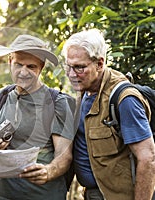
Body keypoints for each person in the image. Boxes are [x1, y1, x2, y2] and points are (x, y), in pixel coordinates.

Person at [62, 29, 155, 200]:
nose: (71, 74)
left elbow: (148, 158)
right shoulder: (84, 90)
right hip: (92, 193)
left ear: (99, 64)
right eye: (69, 66)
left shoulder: (124, 99)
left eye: (79, 67)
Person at [0, 34, 76, 200]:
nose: (23, 72)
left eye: (31, 66)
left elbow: (64, 156)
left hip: (45, 195)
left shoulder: (57, 102)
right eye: (18, 64)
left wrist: (48, 171)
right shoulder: (1, 97)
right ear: (9, 61)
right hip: (5, 195)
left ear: (41, 68)